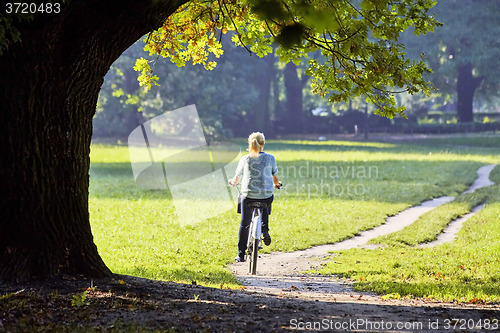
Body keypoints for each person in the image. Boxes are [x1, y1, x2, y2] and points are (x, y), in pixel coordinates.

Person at [228, 132, 281, 262]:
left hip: (248, 195)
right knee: (266, 204)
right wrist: (277, 184)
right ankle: (265, 230)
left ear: (250, 144)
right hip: (266, 194)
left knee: (244, 223)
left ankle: (241, 254)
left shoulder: (245, 159)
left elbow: (237, 178)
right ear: (263, 144)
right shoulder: (270, 158)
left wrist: (233, 182)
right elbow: (275, 177)